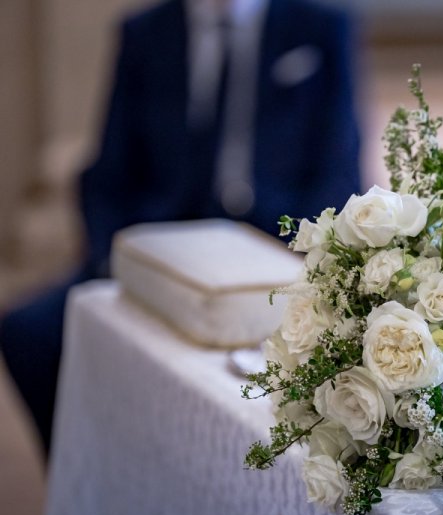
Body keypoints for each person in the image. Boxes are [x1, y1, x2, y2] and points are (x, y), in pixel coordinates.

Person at [0, 0, 361, 454]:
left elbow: (339, 173)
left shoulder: (321, 26)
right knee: (29, 333)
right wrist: (113, 260)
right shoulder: (145, 31)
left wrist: (303, 256)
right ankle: (87, 478)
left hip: (274, 247)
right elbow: (106, 172)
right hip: (163, 242)